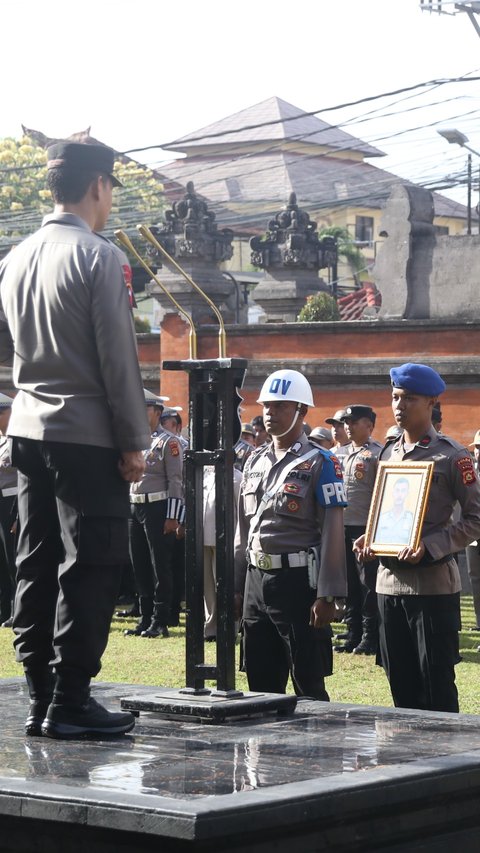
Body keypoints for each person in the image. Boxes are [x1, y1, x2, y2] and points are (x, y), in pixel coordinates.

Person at [0, 141, 151, 739]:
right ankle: (70, 701)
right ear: (99, 187)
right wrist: (134, 439)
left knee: (35, 561)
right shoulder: (99, 257)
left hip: (28, 429)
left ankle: (39, 697)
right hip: (86, 436)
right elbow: (119, 360)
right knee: (91, 564)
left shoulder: (16, 256)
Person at [355, 362, 480, 712]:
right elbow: (384, 512)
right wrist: (369, 537)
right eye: (395, 397)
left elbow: (476, 518)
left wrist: (432, 545)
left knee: (436, 683)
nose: (399, 405)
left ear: (432, 402)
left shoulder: (452, 456)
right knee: (400, 683)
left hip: (432, 587)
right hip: (387, 584)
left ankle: (448, 765)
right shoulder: (388, 452)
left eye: (409, 397)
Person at [234, 369, 347, 701]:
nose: (270, 414)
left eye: (280, 406)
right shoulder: (254, 460)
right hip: (256, 579)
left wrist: (329, 595)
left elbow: (332, 532)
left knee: (307, 683)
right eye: (267, 406)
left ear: (302, 411)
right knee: (259, 683)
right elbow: (245, 530)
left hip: (298, 583)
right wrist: (238, 584)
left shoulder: (321, 463)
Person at [126, 391, 185, 638]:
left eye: (145, 409)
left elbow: (176, 482)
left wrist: (173, 516)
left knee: (159, 565)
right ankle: (145, 616)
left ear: (157, 413)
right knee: (139, 564)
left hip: (158, 508)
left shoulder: (169, 442)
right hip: (135, 506)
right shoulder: (136, 441)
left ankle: (161, 620)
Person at [335, 405, 382, 655]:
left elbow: (381, 493)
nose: (348, 426)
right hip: (341, 526)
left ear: (370, 426)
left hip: (365, 528)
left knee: (368, 584)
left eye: (354, 422)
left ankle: (370, 635)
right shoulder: (340, 454)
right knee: (349, 584)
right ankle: (353, 633)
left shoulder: (376, 454)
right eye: (346, 422)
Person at [0, 393, 18, 628]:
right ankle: (4, 609)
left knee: (14, 560)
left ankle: (18, 609)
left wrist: (19, 515)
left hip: (13, 503)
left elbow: (26, 479)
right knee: (1, 561)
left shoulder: (18, 441)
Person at [466, 429, 480, 633]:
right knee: (476, 580)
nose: (479, 451)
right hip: (473, 536)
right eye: (477, 447)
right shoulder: (468, 471)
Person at [376, 477, 414, 545]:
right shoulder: (381, 518)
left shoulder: (412, 519)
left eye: (403, 491)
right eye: (397, 490)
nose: (399, 494)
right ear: (393, 492)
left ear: (407, 493)